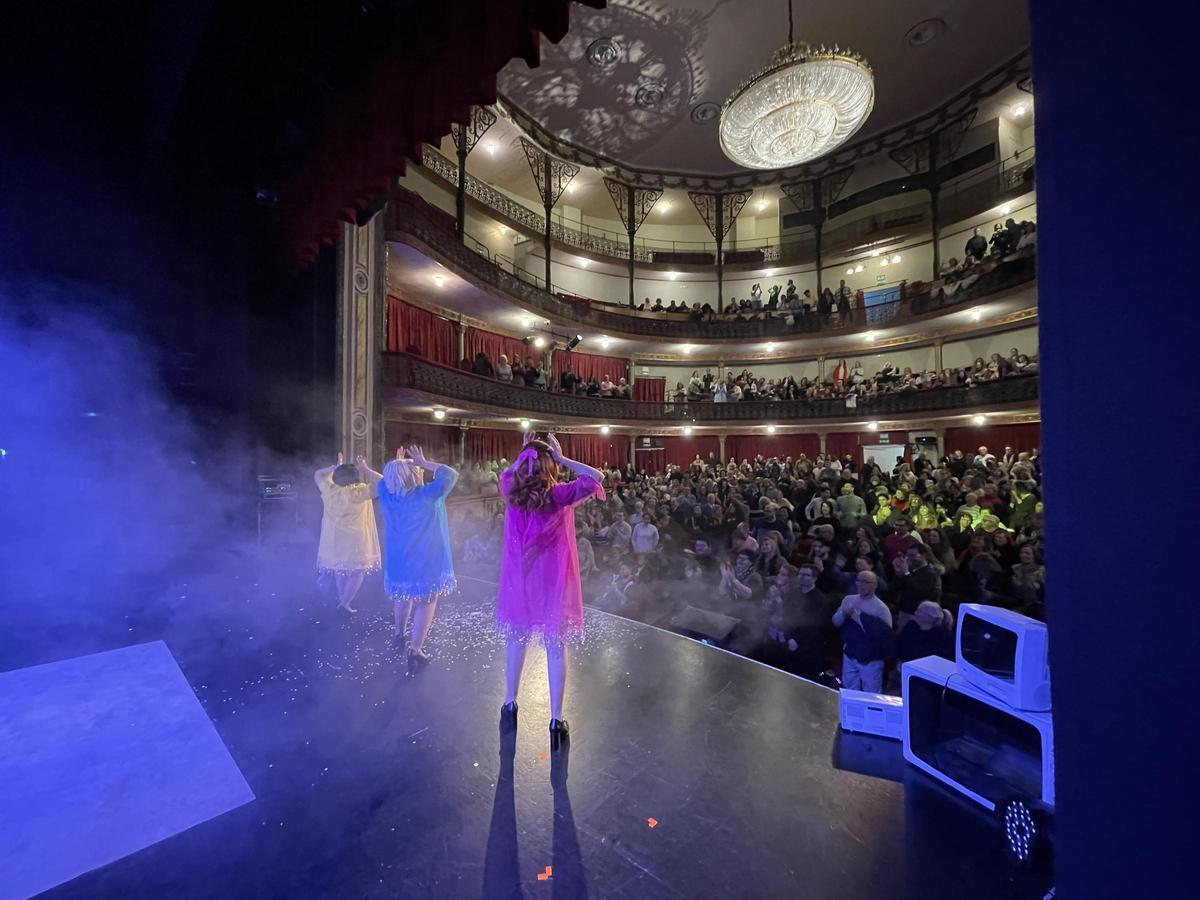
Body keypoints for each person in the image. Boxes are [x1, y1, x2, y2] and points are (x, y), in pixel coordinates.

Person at [497, 433, 604, 743]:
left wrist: (524, 453)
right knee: (556, 650)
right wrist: (561, 458)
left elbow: (508, 473)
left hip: (521, 582)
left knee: (516, 641)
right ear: (549, 466)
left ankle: (509, 702)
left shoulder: (510, 491)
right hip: (552, 585)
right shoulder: (560, 495)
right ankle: (556, 720)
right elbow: (596, 477)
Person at [377, 445, 459, 664]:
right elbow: (450, 474)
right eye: (417, 470)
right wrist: (424, 462)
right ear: (412, 474)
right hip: (426, 560)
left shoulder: (387, 497)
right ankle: (415, 650)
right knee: (426, 601)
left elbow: (382, 481)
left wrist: (397, 465)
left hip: (399, 560)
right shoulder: (426, 495)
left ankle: (399, 635)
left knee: (403, 597)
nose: (420, 471)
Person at [315, 452, 382, 614]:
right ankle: (345, 602)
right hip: (356, 539)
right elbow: (384, 482)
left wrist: (334, 467)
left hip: (335, 538)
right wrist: (366, 469)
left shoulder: (329, 490)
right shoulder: (359, 492)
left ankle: (342, 600)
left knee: (341, 568)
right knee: (357, 571)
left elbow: (318, 474)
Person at [832, 570, 893, 692]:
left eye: (865, 582)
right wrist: (843, 613)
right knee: (849, 689)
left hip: (871, 657)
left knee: (871, 692)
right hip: (850, 651)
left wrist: (860, 618)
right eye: (858, 581)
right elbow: (836, 622)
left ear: (874, 584)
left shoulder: (881, 608)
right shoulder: (849, 599)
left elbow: (886, 637)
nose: (861, 584)